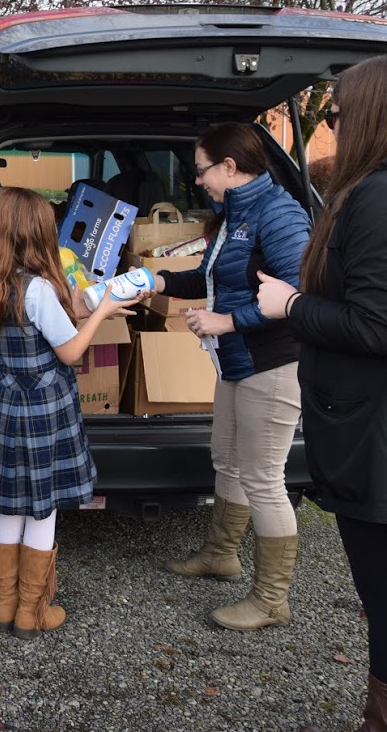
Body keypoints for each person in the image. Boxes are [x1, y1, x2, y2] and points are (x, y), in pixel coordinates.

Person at [256, 56, 387, 730]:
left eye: (335, 114)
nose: (329, 127)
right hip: (363, 429)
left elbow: (373, 323)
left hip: (374, 440)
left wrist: (290, 303)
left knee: (381, 593)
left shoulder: (374, 199)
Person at [151, 122, 310, 632]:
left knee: (264, 478)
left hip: (274, 363)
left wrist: (227, 321)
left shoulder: (280, 215)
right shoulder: (233, 214)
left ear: (229, 167)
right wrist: (159, 280)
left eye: (201, 170)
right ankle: (221, 554)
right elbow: (214, 277)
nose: (198, 181)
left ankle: (270, 600)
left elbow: (301, 296)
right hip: (236, 362)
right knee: (229, 460)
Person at [0, 188, 142, 640]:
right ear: (36, 233)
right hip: (44, 411)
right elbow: (69, 353)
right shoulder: (40, 289)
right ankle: (31, 611)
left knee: (10, 506)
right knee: (42, 510)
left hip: (5, 406)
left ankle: (3, 604)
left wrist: (80, 305)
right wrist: (101, 312)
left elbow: (39, 322)